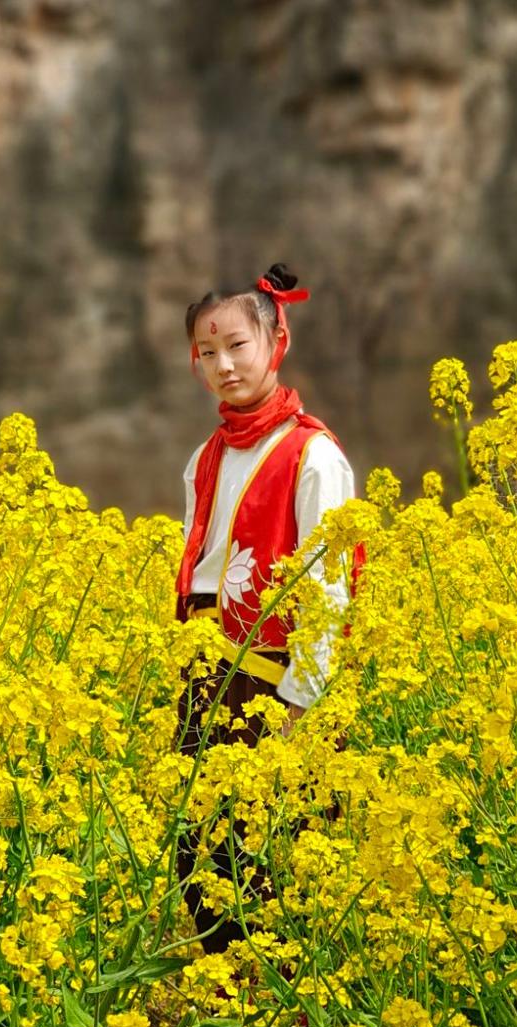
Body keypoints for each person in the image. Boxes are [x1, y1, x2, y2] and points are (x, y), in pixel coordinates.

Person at [174, 262, 357, 954]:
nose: (223, 365)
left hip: (275, 689)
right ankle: (234, 1019)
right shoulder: (204, 459)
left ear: (278, 340)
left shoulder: (315, 457)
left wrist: (299, 709)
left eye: (237, 346)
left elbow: (328, 592)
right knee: (200, 860)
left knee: (277, 856)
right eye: (206, 351)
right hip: (207, 683)